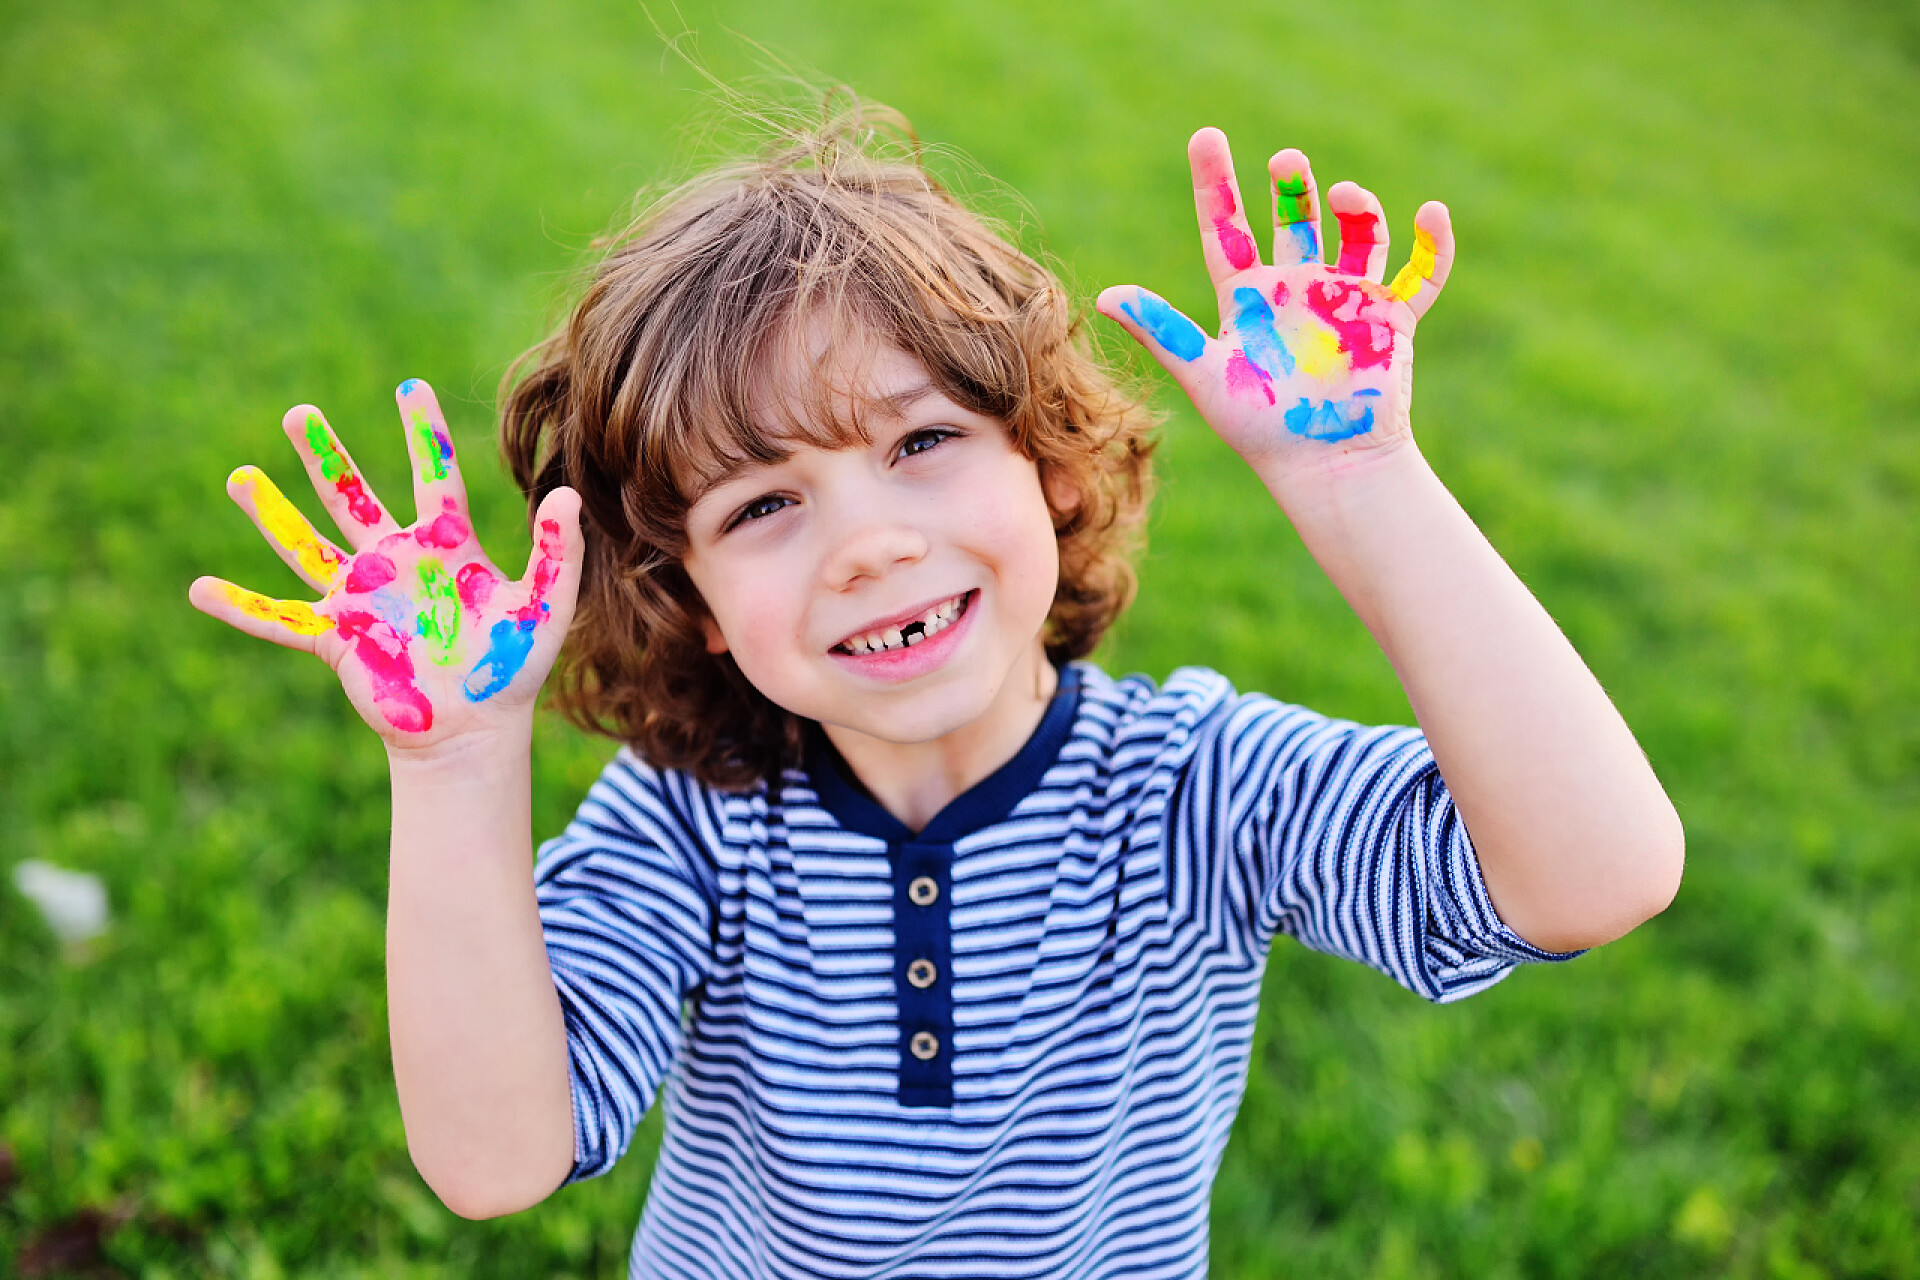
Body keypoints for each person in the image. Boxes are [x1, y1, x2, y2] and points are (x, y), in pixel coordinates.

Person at [189, 103, 1683, 1277]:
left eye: (919, 445)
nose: (871, 544)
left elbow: (1592, 876)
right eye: (762, 508)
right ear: (692, 602)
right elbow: (497, 1158)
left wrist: (1362, 479)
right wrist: (453, 767)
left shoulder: (1194, 787)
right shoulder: (694, 827)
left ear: (1046, 465)